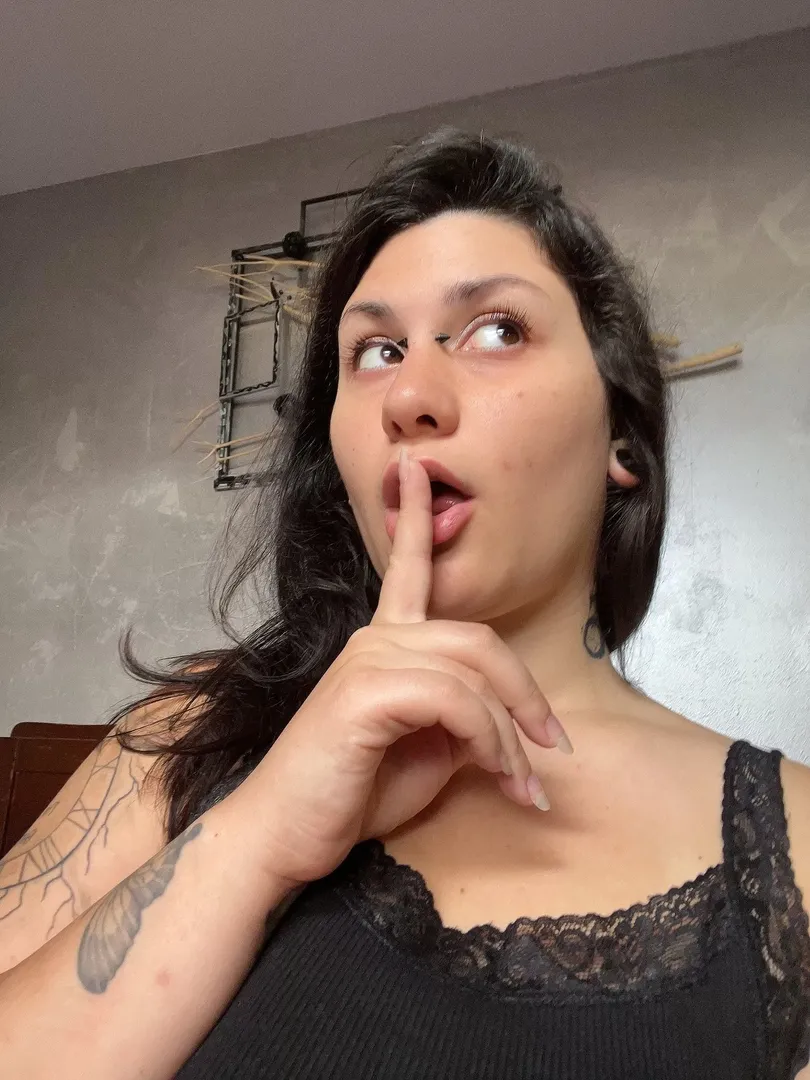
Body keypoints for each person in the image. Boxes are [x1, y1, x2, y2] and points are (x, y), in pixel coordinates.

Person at [0, 126, 808, 1080]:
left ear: (620, 440)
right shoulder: (182, 736)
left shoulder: (794, 847)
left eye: (498, 330)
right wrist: (260, 833)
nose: (410, 395)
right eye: (376, 351)